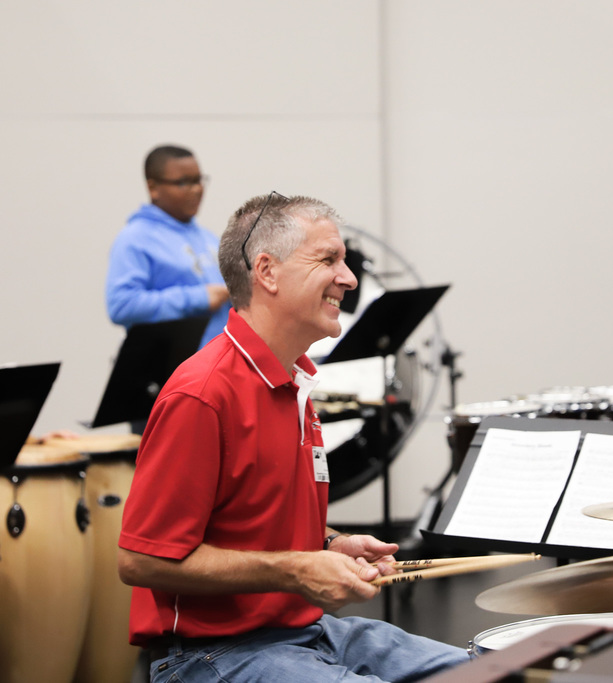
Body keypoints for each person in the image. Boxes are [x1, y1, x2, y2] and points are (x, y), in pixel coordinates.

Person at [117, 193, 470, 682]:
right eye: (329, 260)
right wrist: (297, 568)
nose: (349, 278)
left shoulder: (293, 381)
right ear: (267, 271)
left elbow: (251, 525)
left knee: (484, 670)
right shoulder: (202, 394)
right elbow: (141, 559)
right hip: (209, 654)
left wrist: (330, 543)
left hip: (305, 631)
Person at [106, 145, 230, 349]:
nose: (197, 189)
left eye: (198, 180)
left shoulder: (208, 238)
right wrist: (198, 298)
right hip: (175, 364)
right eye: (183, 182)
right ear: (153, 188)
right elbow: (121, 305)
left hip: (220, 360)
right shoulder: (134, 238)